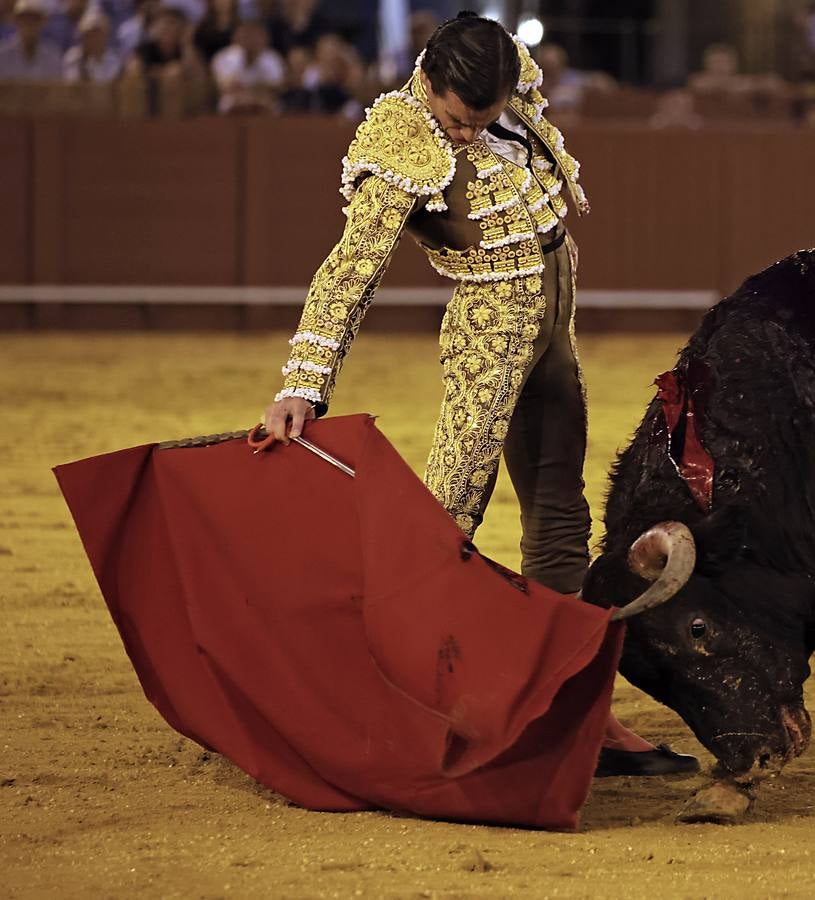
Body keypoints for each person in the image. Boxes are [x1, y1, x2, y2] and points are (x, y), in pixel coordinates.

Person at [260, 12, 698, 779]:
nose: (468, 136)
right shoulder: (399, 141)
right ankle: (398, 702)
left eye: (485, 121)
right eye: (460, 120)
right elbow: (348, 272)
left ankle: (567, 709)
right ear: (428, 83)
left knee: (561, 518)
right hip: (487, 340)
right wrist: (304, 383)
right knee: (448, 517)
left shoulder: (503, 84)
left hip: (551, 340)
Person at [0, 0, 63, 81]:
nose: (29, 23)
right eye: (24, 19)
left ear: (42, 22)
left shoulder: (53, 56)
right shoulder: (2, 55)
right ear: (16, 21)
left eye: (34, 19)